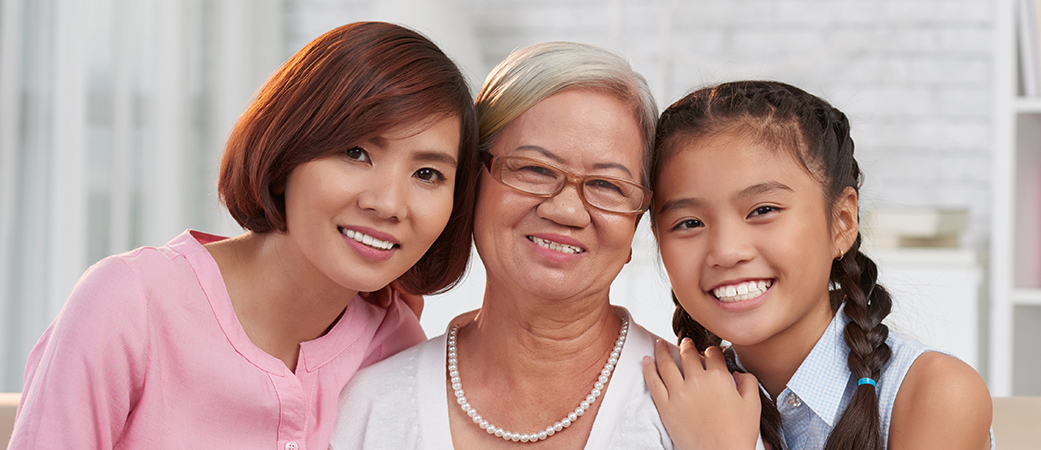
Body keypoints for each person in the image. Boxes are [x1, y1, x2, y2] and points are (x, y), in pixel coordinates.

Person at [7, 21, 480, 450]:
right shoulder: (129, 306)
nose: (388, 203)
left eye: (427, 173)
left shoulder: (392, 342)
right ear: (287, 148)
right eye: (356, 152)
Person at [332, 41, 676, 449]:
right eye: (534, 168)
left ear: (639, 221)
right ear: (471, 182)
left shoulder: (698, 409)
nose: (566, 211)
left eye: (607, 185)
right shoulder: (369, 404)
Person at [641, 81, 993, 450]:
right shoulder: (670, 396)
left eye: (763, 210)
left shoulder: (934, 393)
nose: (727, 252)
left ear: (842, 222)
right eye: (689, 223)